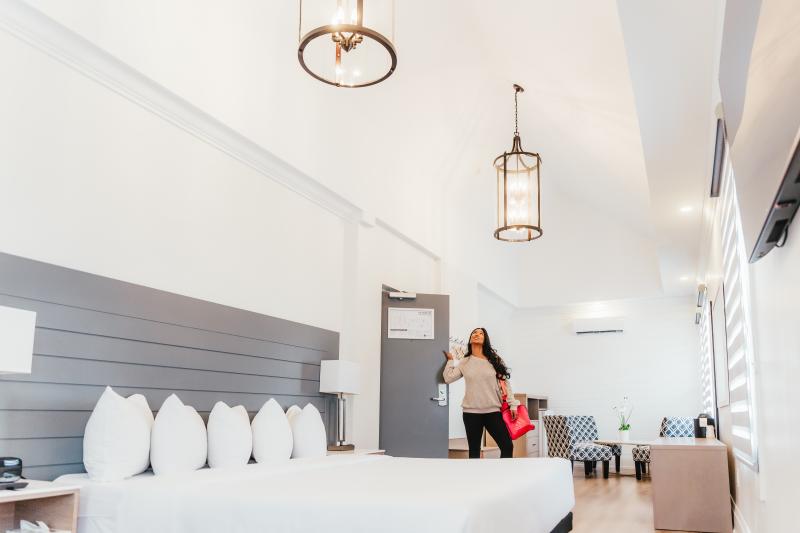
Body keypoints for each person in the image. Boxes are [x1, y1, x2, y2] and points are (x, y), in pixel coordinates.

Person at [443, 327, 519, 459]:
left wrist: (513, 404)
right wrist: (450, 360)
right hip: (471, 413)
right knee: (474, 452)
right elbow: (448, 378)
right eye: (474, 333)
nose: (477, 335)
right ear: (470, 338)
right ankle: (476, 478)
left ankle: (504, 475)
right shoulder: (465, 362)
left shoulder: (495, 361)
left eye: (481, 333)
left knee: (507, 446)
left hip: (493, 412)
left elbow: (506, 384)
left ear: (485, 339)